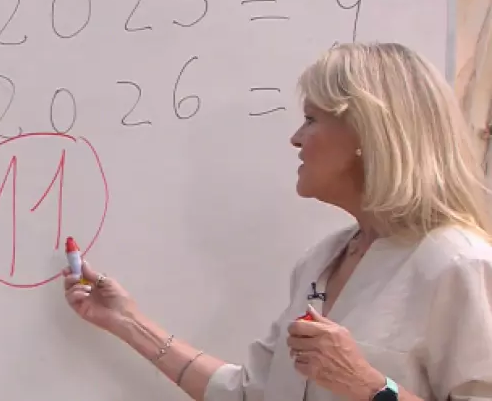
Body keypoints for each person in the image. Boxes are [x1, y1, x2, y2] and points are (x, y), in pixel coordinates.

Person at [63, 42, 492, 401]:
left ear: (366, 134)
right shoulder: (323, 260)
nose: (295, 138)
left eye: (311, 119)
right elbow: (250, 393)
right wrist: (126, 321)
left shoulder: (457, 264)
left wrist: (370, 387)